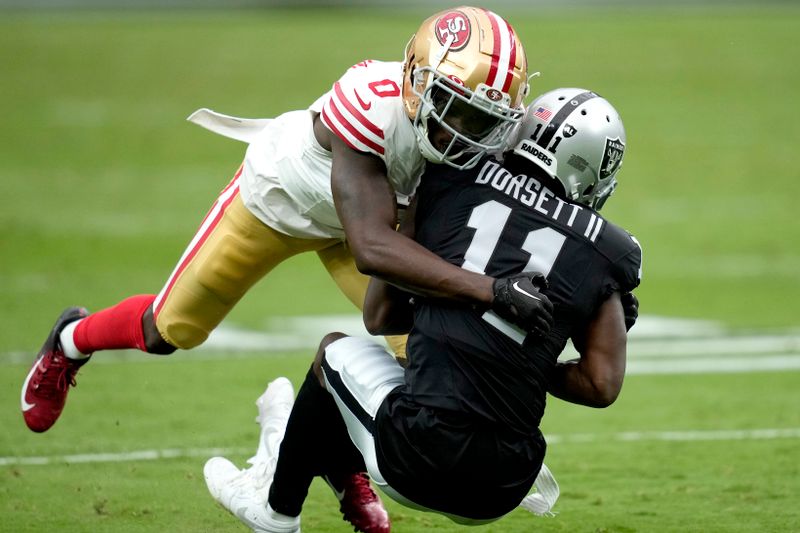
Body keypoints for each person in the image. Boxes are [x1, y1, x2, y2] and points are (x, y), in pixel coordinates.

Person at [20, 6, 549, 533]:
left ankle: (343, 465)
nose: (463, 132)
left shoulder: (482, 131)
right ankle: (70, 340)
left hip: (376, 228)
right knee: (169, 329)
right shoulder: (371, 102)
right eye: (453, 108)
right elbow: (371, 247)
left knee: (419, 349)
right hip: (283, 202)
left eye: (480, 119)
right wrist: (489, 290)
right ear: (415, 77)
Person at [202, 87, 643, 532]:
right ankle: (312, 467)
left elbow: (379, 316)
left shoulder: (451, 182)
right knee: (379, 395)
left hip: (416, 460)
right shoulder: (609, 249)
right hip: (504, 486)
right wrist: (527, 351)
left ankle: (275, 513)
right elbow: (600, 384)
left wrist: (469, 318)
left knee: (332, 354)